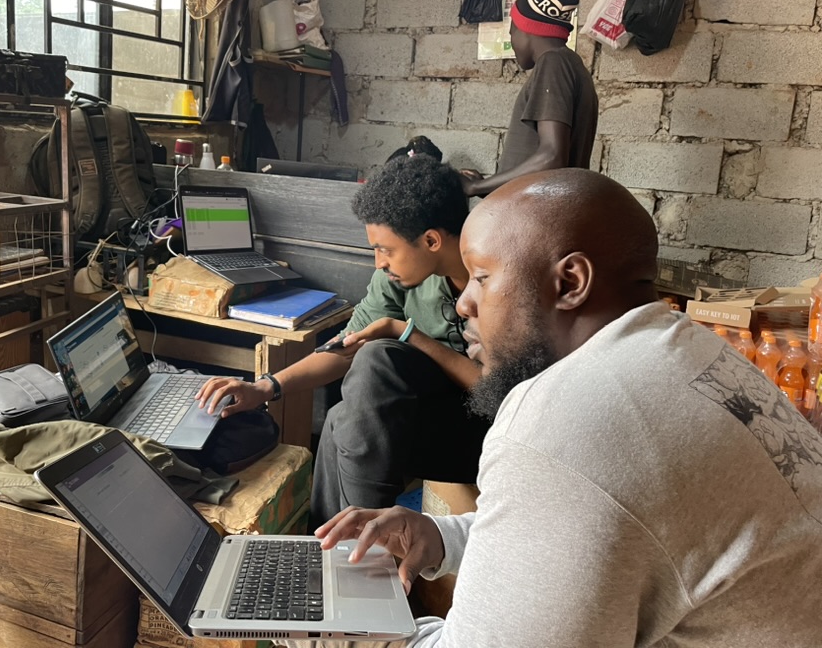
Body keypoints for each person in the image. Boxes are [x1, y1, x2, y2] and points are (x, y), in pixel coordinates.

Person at [316, 168, 822, 647]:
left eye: (483, 277)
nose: (466, 303)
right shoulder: (689, 350)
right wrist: (442, 536)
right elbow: (589, 531)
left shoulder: (566, 419)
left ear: (570, 282)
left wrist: (359, 634)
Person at [196, 156, 490, 526]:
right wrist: (265, 387)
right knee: (339, 421)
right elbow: (345, 346)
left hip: (489, 432)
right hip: (436, 421)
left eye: (386, 249)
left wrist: (406, 334)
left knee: (378, 358)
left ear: (431, 240)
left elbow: (499, 393)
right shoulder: (398, 278)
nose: (378, 262)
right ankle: (327, 551)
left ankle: (368, 542)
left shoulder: (495, 279)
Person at [460, 0, 598, 198]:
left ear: (526, 30)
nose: (512, 41)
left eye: (512, 31)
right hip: (538, 212)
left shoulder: (554, 63)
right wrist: (487, 186)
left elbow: (552, 156)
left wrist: (474, 188)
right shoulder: (572, 64)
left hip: (535, 219)